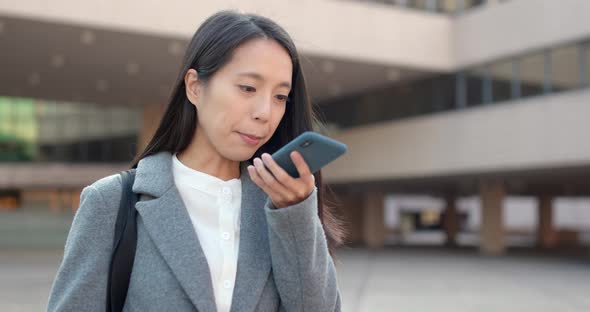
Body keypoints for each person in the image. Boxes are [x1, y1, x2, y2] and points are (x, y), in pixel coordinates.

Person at [47, 10, 344, 312]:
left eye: (281, 96)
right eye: (248, 88)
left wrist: (295, 215)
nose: (265, 112)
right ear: (194, 87)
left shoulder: (280, 208)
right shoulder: (110, 201)